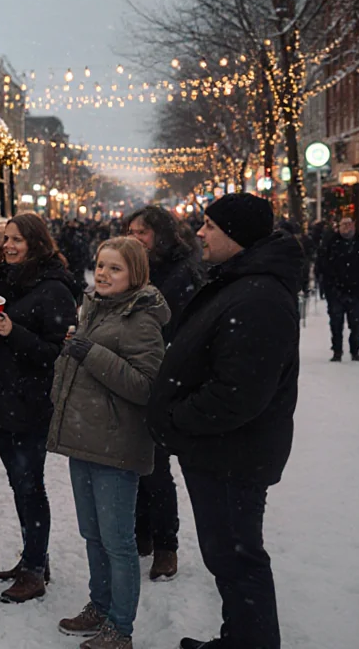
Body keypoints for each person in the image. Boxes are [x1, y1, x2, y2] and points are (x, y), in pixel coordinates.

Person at [148, 193, 300, 649]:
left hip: (233, 456)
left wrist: (178, 417)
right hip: (222, 452)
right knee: (226, 556)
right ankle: (240, 637)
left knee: (237, 558)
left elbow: (239, 394)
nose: (200, 233)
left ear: (236, 234)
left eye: (210, 225)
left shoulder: (258, 296)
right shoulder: (243, 282)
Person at [48, 237, 169, 649]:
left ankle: (121, 627)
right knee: (93, 535)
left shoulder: (142, 320)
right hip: (84, 439)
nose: (102, 274)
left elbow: (146, 386)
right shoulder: (96, 308)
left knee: (118, 543)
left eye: (114, 268)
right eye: (100, 266)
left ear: (135, 274)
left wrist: (90, 353)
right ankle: (99, 607)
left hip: (117, 448)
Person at [0, 212, 78, 603]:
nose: (9, 246)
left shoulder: (54, 289)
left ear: (36, 243)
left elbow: (58, 352)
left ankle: (33, 570)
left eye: (17, 240)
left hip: (30, 402)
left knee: (30, 484)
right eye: (6, 239)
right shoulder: (5, 282)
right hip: (1, 398)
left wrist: (15, 332)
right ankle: (34, 558)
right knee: (19, 483)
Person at [124, 205, 204, 580]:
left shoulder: (180, 273)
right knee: (133, 461)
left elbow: (184, 332)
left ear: (161, 234)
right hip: (131, 376)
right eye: (131, 231)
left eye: (142, 231)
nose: (135, 237)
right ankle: (142, 534)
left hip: (163, 379)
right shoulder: (134, 269)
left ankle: (165, 545)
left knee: (155, 468)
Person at [315, 216, 359, 362]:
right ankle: (337, 350)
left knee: (356, 323)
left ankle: (355, 350)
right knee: (336, 322)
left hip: (357, 290)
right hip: (336, 290)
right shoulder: (331, 244)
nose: (348, 227)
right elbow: (322, 265)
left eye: (350, 224)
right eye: (344, 225)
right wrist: (328, 285)